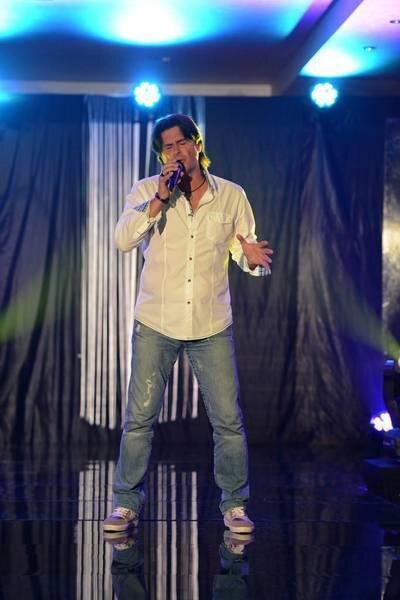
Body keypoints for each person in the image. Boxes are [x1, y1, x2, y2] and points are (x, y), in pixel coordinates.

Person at [103, 113, 273, 536]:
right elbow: (123, 240)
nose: (176, 152)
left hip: (211, 323)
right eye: (167, 147)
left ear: (197, 144)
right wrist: (159, 199)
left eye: (181, 143)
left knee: (228, 420)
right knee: (140, 418)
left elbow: (243, 250)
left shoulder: (231, 195)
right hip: (157, 320)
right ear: (161, 156)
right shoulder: (146, 190)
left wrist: (253, 261)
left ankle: (235, 505)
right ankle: (125, 503)